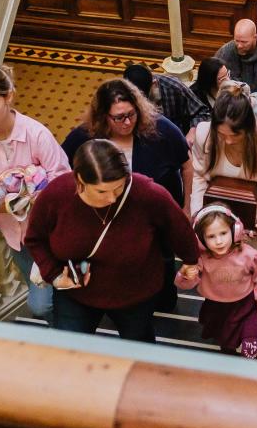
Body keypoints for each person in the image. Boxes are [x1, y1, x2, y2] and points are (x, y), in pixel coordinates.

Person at [25, 140, 199, 342]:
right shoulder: (56, 195)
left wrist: (190, 261)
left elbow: (179, 228)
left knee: (138, 347)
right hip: (76, 293)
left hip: (135, 294)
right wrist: (54, 275)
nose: (112, 199)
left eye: (118, 188)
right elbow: (35, 238)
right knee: (71, 348)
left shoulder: (147, 193)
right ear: (79, 180)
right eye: (101, 191)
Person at [62, 78, 192, 312]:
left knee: (162, 261)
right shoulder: (85, 137)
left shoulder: (160, 129)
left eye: (131, 114)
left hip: (155, 219)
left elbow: (187, 164)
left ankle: (163, 300)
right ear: (103, 117)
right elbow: (63, 170)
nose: (127, 122)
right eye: (118, 117)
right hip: (110, 218)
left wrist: (187, 207)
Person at [0, 65, 71, 324]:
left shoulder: (36, 134)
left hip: (52, 230)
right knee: (45, 297)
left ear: (9, 97)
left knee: (41, 304)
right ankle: (62, 331)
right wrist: (10, 203)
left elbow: (63, 177)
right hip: (15, 237)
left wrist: (33, 194)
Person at [190, 86, 257, 270]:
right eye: (221, 134)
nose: (227, 141)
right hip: (216, 229)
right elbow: (199, 176)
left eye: (235, 135)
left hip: (256, 230)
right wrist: (198, 214)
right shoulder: (204, 134)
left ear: (249, 127)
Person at [176, 205, 257, 358]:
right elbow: (185, 285)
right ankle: (229, 356)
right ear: (200, 239)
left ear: (235, 230)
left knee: (251, 332)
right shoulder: (201, 258)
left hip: (246, 301)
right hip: (217, 305)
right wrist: (186, 274)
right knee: (225, 339)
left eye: (223, 233)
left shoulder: (248, 255)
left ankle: (251, 344)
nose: (219, 241)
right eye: (211, 236)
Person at [123, 63, 209, 135]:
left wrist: (193, 131)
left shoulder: (174, 86)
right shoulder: (124, 94)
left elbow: (202, 112)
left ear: (154, 83)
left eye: (146, 97)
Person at [215, 19, 257, 92]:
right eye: (237, 41)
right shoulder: (225, 52)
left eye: (244, 42)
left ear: (255, 37)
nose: (239, 46)